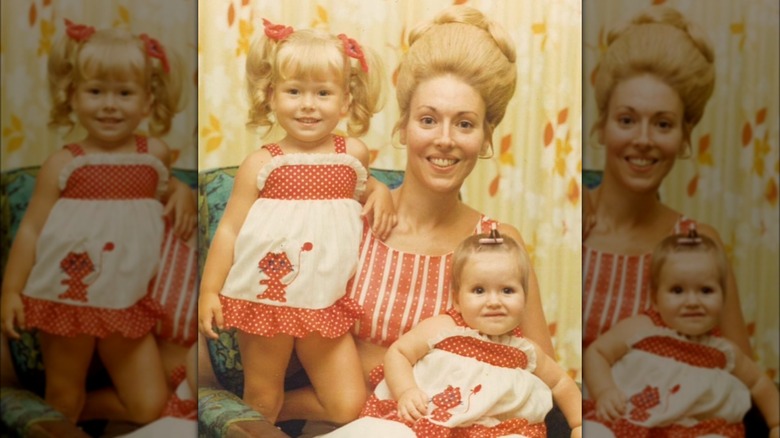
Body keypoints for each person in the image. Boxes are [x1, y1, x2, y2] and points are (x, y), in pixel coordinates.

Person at [265, 6, 563, 436]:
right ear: (403, 126)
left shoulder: (497, 243)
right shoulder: (348, 219)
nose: (444, 139)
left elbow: (539, 373)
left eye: (464, 124)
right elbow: (266, 319)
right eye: (428, 119)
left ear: (485, 138)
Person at [197, 18, 396, 426]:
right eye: (294, 91)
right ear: (272, 96)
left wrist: (381, 191)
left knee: (347, 405)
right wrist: (209, 291)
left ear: (345, 101)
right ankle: (255, 415)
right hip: (266, 298)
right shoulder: (262, 163)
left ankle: (242, 416)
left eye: (323, 93)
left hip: (324, 299)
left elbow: (366, 186)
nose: (308, 104)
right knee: (264, 395)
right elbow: (231, 229)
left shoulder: (353, 155)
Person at [0, 19, 184, 425]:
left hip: (126, 300)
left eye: (124, 93)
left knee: (150, 407)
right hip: (68, 298)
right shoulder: (64, 163)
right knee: (64, 394)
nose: (109, 105)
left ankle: (73, 413)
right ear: (73, 96)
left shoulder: (154, 155)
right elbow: (31, 229)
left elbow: (167, 190)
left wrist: (183, 194)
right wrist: (11, 291)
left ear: (147, 102)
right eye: (95, 91)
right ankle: (64, 412)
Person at [582, 5, 753, 359]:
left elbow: (742, 385)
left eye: (662, 124)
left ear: (684, 137)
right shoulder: (570, 221)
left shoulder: (698, 244)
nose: (643, 139)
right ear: (602, 125)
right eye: (627, 120)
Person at [324, 230, 581, 437]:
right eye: (479, 290)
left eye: (507, 291)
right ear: (457, 299)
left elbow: (560, 382)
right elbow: (400, 352)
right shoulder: (445, 328)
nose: (494, 301)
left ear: (524, 298)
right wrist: (406, 391)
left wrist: (579, 424)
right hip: (427, 422)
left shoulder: (525, 350)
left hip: (493, 431)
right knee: (384, 432)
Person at [583, 229, 779, 437]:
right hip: (628, 421)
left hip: (694, 431)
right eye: (677, 291)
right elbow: (597, 352)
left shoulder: (724, 350)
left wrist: (776, 423)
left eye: (706, 290)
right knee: (595, 431)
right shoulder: (642, 328)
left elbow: (759, 383)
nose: (692, 302)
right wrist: (604, 391)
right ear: (655, 298)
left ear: (723, 296)